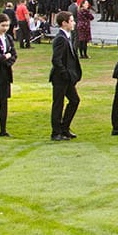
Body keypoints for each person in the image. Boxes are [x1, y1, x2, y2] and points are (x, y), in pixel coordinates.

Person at [49, 11, 83, 141]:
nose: (74, 23)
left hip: (67, 77)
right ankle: (56, 132)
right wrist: (64, 73)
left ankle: (64, 127)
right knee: (58, 103)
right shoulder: (60, 39)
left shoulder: (67, 37)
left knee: (74, 100)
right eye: (72, 20)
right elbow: (56, 60)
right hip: (60, 77)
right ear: (64, 23)